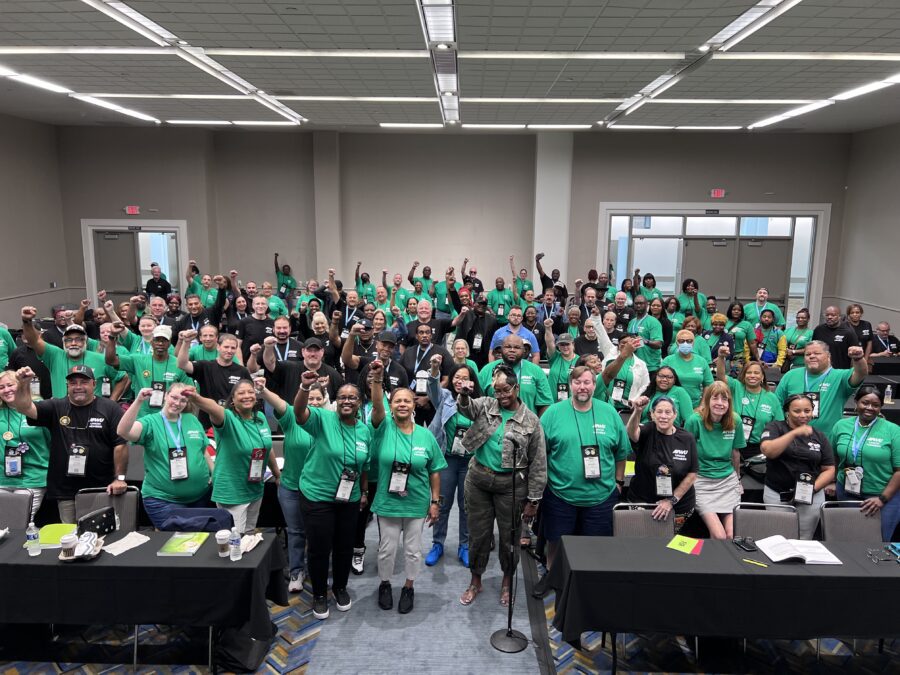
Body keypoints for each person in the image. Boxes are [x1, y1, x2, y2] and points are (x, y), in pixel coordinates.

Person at [533, 366, 628, 596]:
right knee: (555, 541)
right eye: (577, 382)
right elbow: (539, 455)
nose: (582, 387)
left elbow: (621, 452)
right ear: (570, 385)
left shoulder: (609, 413)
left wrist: (618, 481)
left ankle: (588, 583)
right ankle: (552, 577)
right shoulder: (552, 414)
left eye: (587, 382)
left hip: (601, 496)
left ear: (595, 385)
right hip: (560, 494)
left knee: (595, 545)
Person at [456, 365, 546, 607]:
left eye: (506, 390)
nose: (502, 395)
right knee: (478, 534)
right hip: (479, 480)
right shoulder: (487, 404)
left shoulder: (531, 421)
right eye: (497, 390)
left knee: (510, 537)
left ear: (517, 388)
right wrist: (464, 395)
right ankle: (476, 580)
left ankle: (507, 581)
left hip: (511, 486)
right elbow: (466, 408)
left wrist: (533, 500)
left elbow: (538, 463)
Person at [294, 370, 373, 620]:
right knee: (319, 548)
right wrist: (304, 388)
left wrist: (364, 492)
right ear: (336, 401)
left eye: (352, 397)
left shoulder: (364, 431)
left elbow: (364, 465)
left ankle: (340, 587)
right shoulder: (322, 418)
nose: (347, 401)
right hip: (317, 496)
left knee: (344, 546)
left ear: (359, 402)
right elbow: (299, 413)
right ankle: (319, 593)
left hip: (349, 498)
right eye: (342, 397)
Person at [368, 364, 445, 613]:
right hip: (388, 502)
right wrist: (377, 380)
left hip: (416, 502)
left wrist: (435, 502)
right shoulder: (383, 428)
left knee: (413, 551)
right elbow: (377, 406)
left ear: (414, 406)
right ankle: (385, 584)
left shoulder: (425, 435)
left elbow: (434, 469)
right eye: (397, 401)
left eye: (407, 401)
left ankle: (409, 587)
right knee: (387, 550)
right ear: (391, 405)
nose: (402, 404)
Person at [10, 365, 127, 523]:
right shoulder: (56, 406)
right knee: (70, 533)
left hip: (101, 488)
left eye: (84, 382)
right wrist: (24, 384)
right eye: (73, 383)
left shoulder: (110, 408)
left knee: (100, 532)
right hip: (66, 490)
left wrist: (120, 478)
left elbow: (120, 445)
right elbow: (24, 407)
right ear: (67, 386)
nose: (78, 387)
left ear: (94, 384)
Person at [259, 380, 327, 592]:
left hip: (319, 490)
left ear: (324, 400)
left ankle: (318, 570)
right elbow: (278, 403)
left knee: (318, 533)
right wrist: (263, 391)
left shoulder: (329, 421)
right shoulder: (291, 417)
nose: (313, 402)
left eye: (318, 398)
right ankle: (297, 570)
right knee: (296, 532)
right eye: (310, 397)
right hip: (291, 487)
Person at [186, 379, 279, 533]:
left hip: (255, 488)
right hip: (232, 492)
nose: (247, 396)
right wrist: (196, 398)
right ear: (233, 400)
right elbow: (213, 408)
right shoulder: (227, 418)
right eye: (241, 393)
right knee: (234, 539)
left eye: (250, 392)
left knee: (249, 534)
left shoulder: (260, 418)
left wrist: (277, 474)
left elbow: (267, 448)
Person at [116, 384, 213, 528]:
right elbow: (123, 431)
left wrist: (214, 473)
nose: (177, 403)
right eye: (174, 397)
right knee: (179, 538)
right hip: (164, 500)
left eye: (183, 400)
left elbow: (203, 450)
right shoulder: (150, 422)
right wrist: (138, 401)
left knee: (199, 538)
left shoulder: (191, 419)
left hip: (200, 497)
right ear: (166, 396)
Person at [425, 356, 481, 567]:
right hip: (447, 461)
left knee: (467, 506)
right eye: (457, 377)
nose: (460, 381)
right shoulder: (446, 398)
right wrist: (434, 369)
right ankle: (437, 543)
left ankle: (464, 545)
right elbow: (433, 389)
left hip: (469, 462)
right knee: (442, 503)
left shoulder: (478, 403)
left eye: (465, 378)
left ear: (472, 382)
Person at [830, 386, 900, 542]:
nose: (869, 408)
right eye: (865, 402)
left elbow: (899, 471)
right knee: (849, 538)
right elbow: (832, 456)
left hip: (884, 497)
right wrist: (832, 481)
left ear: (880, 407)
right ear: (856, 402)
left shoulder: (893, 430)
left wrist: (882, 499)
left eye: (875, 405)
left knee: (878, 543)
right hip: (847, 492)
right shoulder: (841, 425)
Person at [760, 394, 835, 539]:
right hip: (778, 494)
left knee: (804, 538)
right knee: (779, 537)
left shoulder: (819, 436)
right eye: (797, 411)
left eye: (807, 411)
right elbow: (768, 450)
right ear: (787, 412)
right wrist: (794, 433)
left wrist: (812, 489)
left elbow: (829, 469)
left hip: (810, 495)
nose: (803, 415)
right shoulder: (775, 427)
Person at [627, 395, 698, 533]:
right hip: (643, 502)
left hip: (678, 505)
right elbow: (632, 433)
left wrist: (671, 500)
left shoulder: (686, 438)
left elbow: (692, 473)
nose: (663, 416)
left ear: (675, 415)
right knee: (641, 539)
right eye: (659, 412)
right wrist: (637, 411)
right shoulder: (647, 430)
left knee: (670, 541)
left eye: (668, 412)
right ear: (652, 415)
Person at [685, 381, 746, 539]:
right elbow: (686, 453)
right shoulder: (694, 421)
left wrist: (738, 479)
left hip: (727, 482)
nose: (720, 403)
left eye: (724, 399)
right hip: (701, 481)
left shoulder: (735, 420)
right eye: (715, 398)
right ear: (707, 400)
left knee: (732, 535)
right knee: (719, 536)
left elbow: (735, 452)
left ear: (729, 403)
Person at [775, 340, 867, 432]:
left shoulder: (840, 376)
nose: (811, 356)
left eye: (817, 353)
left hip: (826, 438)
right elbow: (777, 404)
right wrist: (782, 429)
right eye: (808, 354)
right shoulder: (791, 375)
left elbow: (861, 373)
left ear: (828, 356)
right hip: (792, 437)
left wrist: (858, 359)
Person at [106, 324, 192, 417]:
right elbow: (111, 360)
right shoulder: (138, 360)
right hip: (142, 417)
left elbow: (189, 393)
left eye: (164, 340)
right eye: (157, 340)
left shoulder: (179, 364)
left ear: (169, 343)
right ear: (151, 342)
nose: (160, 343)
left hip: (168, 416)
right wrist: (112, 337)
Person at [21, 307, 108, 398]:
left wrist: (111, 402)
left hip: (93, 406)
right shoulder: (54, 356)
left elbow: (118, 377)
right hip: (61, 407)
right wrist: (27, 321)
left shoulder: (100, 359)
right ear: (63, 342)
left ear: (85, 342)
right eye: (69, 340)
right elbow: (34, 340)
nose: (73, 343)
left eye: (78, 339)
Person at [0, 369, 51, 520]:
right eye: (1, 387)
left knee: (18, 520)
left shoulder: (38, 409)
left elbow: (52, 441)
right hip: (3, 479)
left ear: (21, 385)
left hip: (32, 478)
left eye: (10, 385)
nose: (6, 390)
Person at [715, 344, 783, 458]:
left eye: (756, 373)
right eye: (749, 372)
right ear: (744, 375)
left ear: (762, 377)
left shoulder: (771, 397)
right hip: (731, 443)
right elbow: (721, 377)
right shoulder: (736, 387)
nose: (752, 375)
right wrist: (721, 358)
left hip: (758, 448)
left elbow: (779, 425)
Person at [176, 330, 250, 427]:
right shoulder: (205, 366)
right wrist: (186, 342)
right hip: (207, 422)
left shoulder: (242, 371)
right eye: (226, 347)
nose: (229, 350)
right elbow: (182, 364)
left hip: (234, 421)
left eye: (233, 348)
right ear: (218, 347)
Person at [478, 335, 553, 416]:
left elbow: (545, 404)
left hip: (527, 422)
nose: (512, 350)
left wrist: (537, 423)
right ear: (501, 349)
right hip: (494, 422)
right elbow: (477, 401)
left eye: (517, 347)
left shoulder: (536, 371)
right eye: (508, 347)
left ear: (524, 351)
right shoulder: (487, 370)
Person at [662, 329, 714, 408]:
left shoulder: (701, 361)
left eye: (689, 341)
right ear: (676, 343)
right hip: (672, 404)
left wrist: (702, 405)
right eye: (681, 341)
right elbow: (659, 383)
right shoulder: (668, 361)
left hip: (696, 405)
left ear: (693, 343)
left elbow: (708, 385)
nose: (685, 343)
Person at [628, 295, 664, 380]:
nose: (638, 305)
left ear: (647, 305)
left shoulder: (653, 322)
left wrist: (645, 341)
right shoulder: (631, 322)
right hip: (634, 364)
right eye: (636, 303)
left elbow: (659, 344)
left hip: (650, 366)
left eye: (641, 303)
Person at [812, 305, 859, 370]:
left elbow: (855, 355)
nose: (829, 317)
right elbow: (813, 349)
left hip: (840, 370)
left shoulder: (848, 332)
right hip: (821, 369)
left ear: (839, 317)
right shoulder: (818, 330)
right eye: (827, 315)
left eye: (833, 315)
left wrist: (853, 371)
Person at [545, 326, 579, 402]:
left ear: (573, 344)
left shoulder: (579, 360)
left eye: (567, 344)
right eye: (562, 344)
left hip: (571, 403)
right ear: (558, 347)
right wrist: (548, 327)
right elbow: (549, 343)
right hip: (551, 401)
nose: (565, 347)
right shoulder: (555, 357)